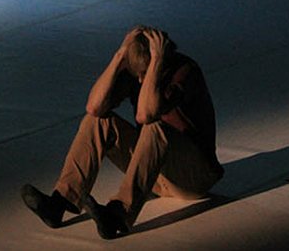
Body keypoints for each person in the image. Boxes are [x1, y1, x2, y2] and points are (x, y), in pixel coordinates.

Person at [21, 25, 224, 240]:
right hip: (155, 174)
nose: (140, 80)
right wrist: (119, 56)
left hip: (193, 178)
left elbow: (146, 115)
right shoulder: (136, 72)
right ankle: (61, 201)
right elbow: (94, 107)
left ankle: (118, 215)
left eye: (144, 74)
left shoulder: (184, 71)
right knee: (97, 121)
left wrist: (156, 61)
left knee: (154, 127)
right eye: (137, 74)